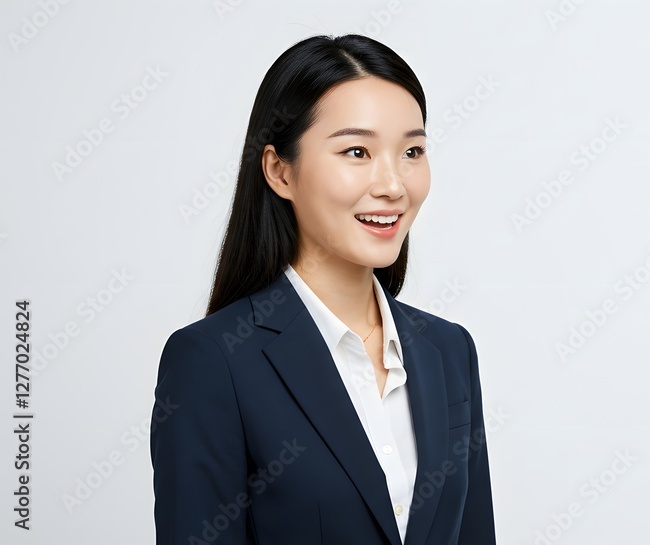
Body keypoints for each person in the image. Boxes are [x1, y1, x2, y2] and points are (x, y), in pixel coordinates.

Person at [149, 34, 496, 545]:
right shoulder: (212, 362)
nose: (394, 184)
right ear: (279, 170)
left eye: (412, 151)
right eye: (357, 151)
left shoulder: (448, 349)